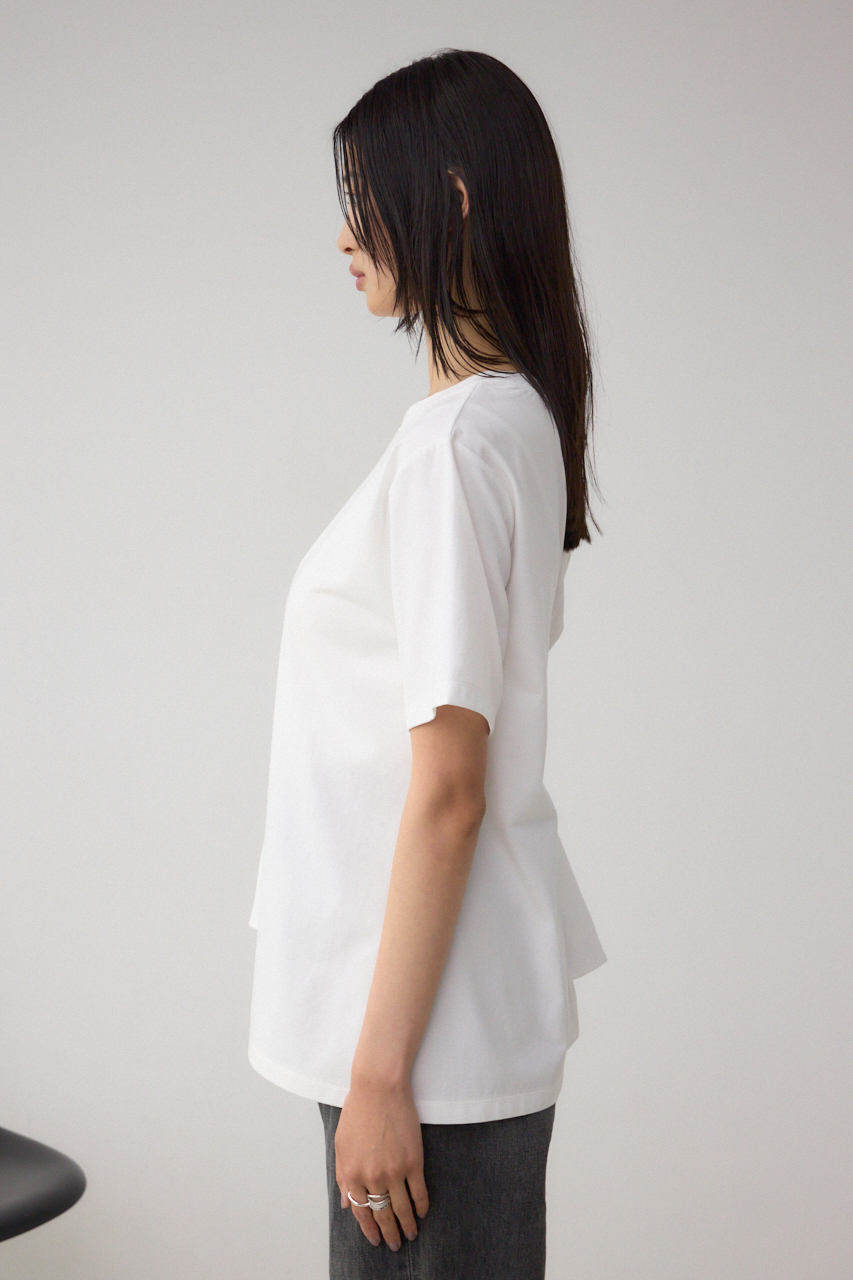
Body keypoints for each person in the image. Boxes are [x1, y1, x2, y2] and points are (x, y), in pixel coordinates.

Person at [248, 48, 607, 1279]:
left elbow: (450, 786)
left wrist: (381, 1072)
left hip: (421, 1046)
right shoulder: (510, 420)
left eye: (364, 198)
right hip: (430, 1021)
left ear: (448, 198)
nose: (344, 235)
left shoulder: (458, 445)